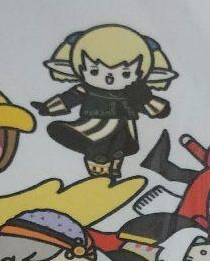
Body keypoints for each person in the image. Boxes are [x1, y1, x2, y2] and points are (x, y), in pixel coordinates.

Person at [32, 24, 176, 180]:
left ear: (140, 72)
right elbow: (69, 98)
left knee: (117, 149)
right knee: (97, 150)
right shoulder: (88, 90)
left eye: (125, 73)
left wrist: (146, 97)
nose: (110, 78)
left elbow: (159, 110)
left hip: (122, 129)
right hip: (92, 126)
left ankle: (113, 168)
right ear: (81, 68)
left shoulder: (132, 94)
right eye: (95, 71)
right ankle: (99, 173)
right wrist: (47, 107)